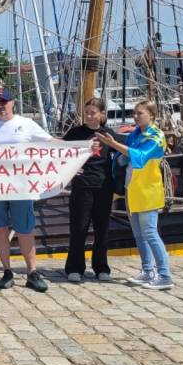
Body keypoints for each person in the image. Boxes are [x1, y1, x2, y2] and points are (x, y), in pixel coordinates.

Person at [0, 89, 53, 293]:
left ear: (12, 103)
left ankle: (32, 272)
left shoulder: (26, 124)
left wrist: (81, 148)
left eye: (3, 102)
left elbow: (50, 143)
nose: (0, 106)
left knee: (25, 228)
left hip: (21, 186)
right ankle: (7, 272)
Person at [95, 100, 173, 290]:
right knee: (139, 234)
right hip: (133, 188)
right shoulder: (135, 134)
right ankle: (148, 270)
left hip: (147, 191)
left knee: (150, 233)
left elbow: (139, 156)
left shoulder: (156, 136)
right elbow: (124, 153)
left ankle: (164, 275)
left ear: (152, 115)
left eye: (140, 113)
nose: (136, 116)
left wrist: (113, 143)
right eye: (135, 113)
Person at [63, 98, 115, 283]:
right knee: (79, 228)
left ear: (101, 114)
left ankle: (101, 267)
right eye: (87, 112)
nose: (89, 116)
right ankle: (74, 267)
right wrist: (70, 168)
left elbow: (120, 155)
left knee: (102, 229)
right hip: (82, 186)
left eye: (93, 112)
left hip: (104, 186)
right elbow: (61, 152)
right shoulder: (75, 133)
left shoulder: (109, 134)